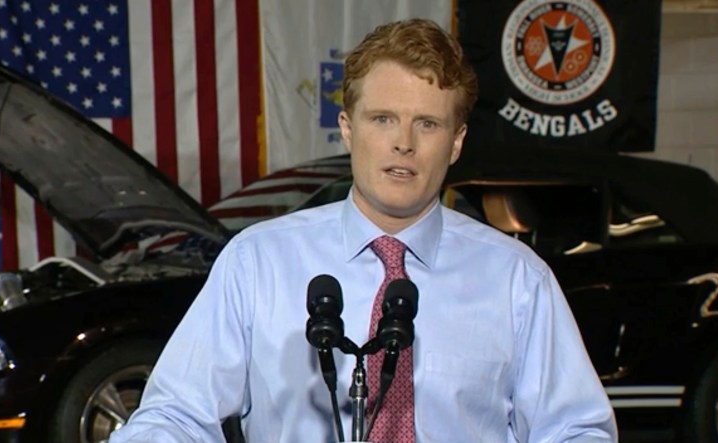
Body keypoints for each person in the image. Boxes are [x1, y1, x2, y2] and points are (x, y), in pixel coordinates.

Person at [110, 18, 617, 442]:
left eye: (427, 124)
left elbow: (577, 430)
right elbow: (175, 414)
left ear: (457, 141)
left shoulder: (516, 279)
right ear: (348, 128)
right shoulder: (258, 262)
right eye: (382, 119)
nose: (403, 143)